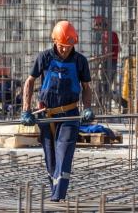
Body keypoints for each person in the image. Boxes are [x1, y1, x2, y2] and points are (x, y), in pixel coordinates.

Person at [20, 21, 95, 202]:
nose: (65, 50)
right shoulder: (44, 58)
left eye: (69, 46)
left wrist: (87, 109)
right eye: (62, 46)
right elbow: (29, 82)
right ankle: (55, 189)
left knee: (64, 150)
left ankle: (58, 196)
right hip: (47, 114)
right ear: (55, 41)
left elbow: (86, 88)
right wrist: (26, 110)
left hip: (70, 114)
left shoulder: (79, 61)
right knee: (50, 156)